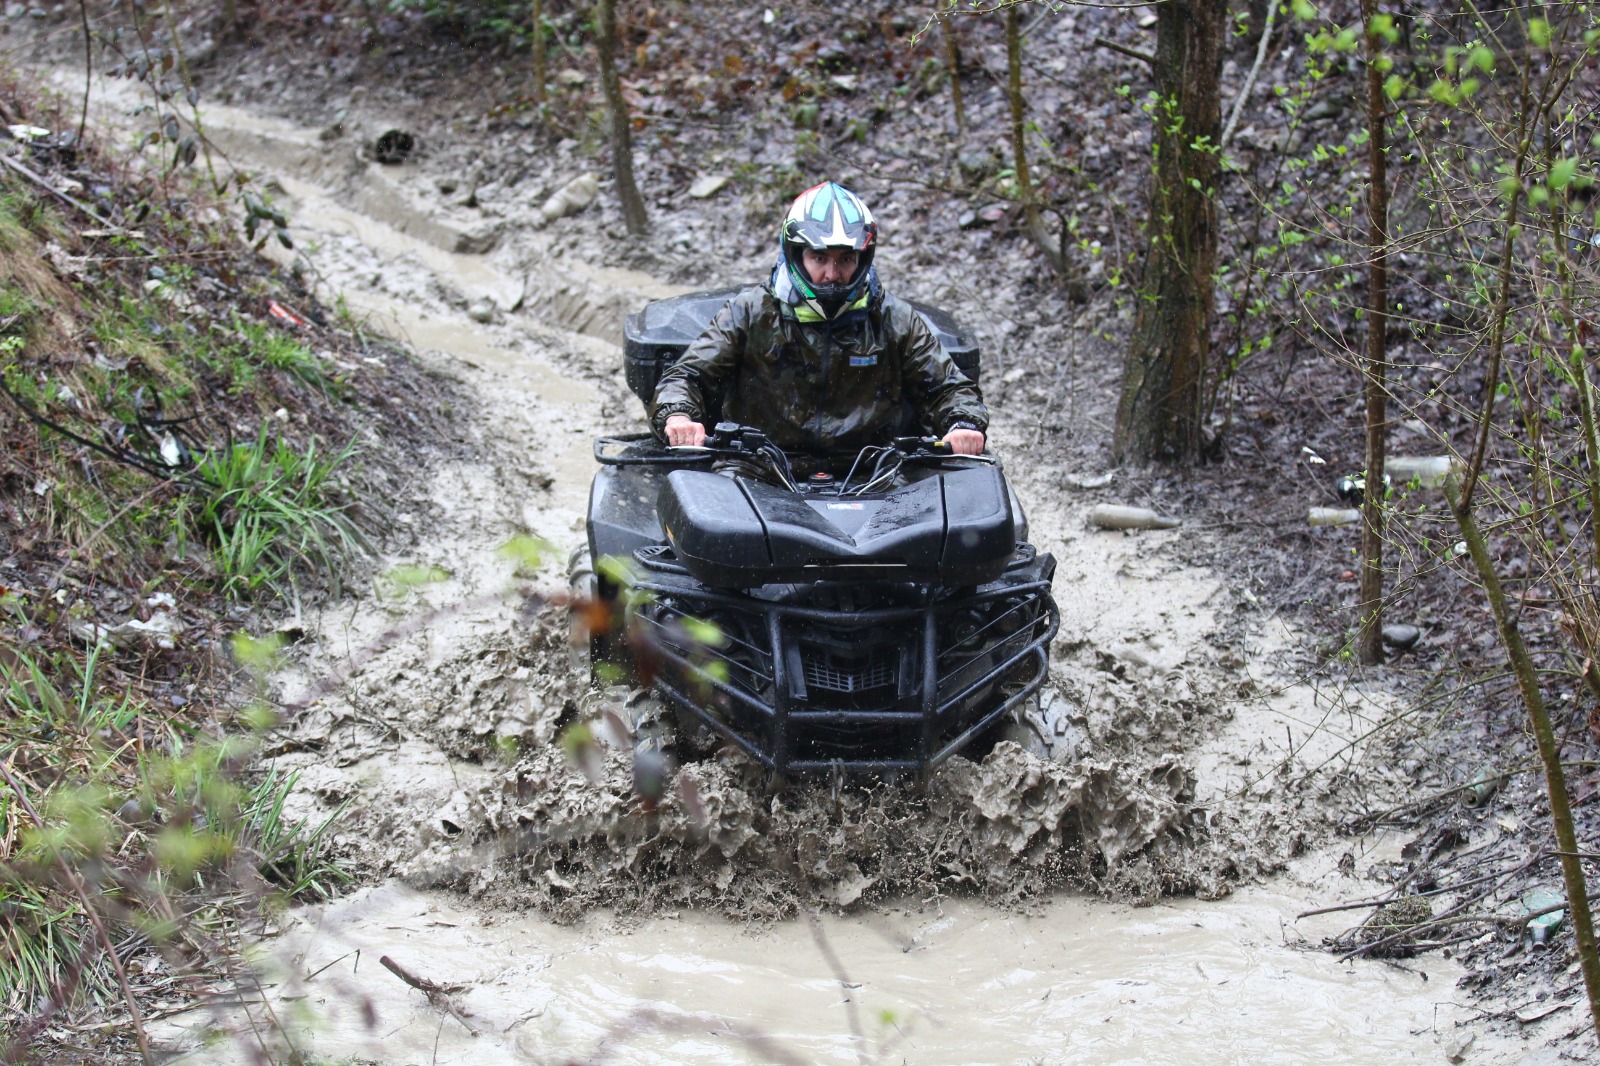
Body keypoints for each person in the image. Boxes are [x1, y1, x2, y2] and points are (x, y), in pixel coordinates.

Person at [650, 182, 987, 474]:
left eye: (845, 259)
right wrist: (678, 416)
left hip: (871, 471)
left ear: (863, 258)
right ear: (796, 255)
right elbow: (687, 376)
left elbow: (947, 387)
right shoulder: (749, 312)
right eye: (820, 258)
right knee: (707, 520)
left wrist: (963, 423)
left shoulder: (893, 317)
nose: (832, 274)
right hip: (756, 467)